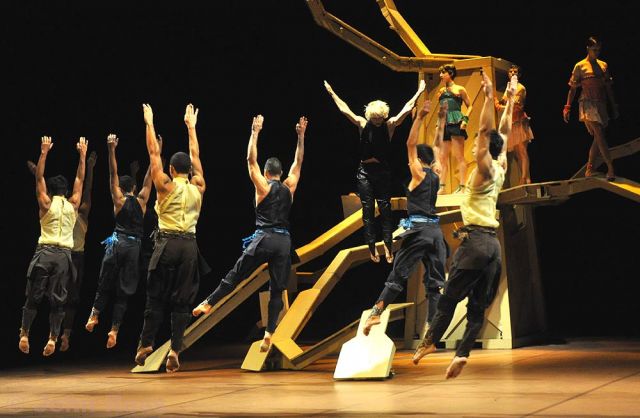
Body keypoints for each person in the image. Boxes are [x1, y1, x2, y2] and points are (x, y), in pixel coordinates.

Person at [412, 72, 515, 379]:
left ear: (484, 148)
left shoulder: (484, 168)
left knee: (448, 298)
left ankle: (431, 341)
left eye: (478, 146)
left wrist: (488, 96)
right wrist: (508, 100)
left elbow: (485, 131)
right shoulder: (501, 164)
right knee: (477, 306)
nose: (473, 148)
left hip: (476, 242)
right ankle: (462, 353)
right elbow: (503, 132)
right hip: (493, 246)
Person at [192, 114, 307, 353]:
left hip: (264, 238)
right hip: (284, 242)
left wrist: (255, 132)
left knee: (236, 275)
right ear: (281, 173)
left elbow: (250, 160)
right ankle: (269, 332)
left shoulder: (262, 187)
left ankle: (209, 303)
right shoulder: (290, 186)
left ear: (266, 172)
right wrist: (301, 136)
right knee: (277, 290)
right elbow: (298, 161)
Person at [363, 99, 447, 337]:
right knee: (434, 283)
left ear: (418, 160)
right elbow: (438, 146)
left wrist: (419, 118)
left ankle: (376, 313)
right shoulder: (437, 172)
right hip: (436, 234)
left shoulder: (418, 174)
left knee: (397, 275)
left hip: (419, 231)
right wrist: (440, 120)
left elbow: (410, 143)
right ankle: (432, 329)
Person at [135, 104, 209, 373]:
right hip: (189, 247)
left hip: (166, 243)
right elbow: (196, 154)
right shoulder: (198, 186)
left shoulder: (164, 185)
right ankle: (175, 350)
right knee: (182, 302)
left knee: (156, 297)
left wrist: (149, 123)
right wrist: (191, 127)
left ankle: (146, 344)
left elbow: (153, 152)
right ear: (189, 171)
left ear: (171, 168)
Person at [324, 79, 427, 262]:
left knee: (385, 208)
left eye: (379, 118)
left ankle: (388, 248)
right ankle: (372, 248)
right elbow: (345, 109)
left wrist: (419, 91)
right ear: (370, 116)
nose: (377, 121)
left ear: (384, 116)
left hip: (382, 171)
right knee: (368, 209)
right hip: (365, 171)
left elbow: (406, 108)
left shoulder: (389, 125)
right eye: (374, 118)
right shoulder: (363, 124)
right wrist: (332, 92)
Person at [85, 133, 155, 349]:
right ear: (133, 188)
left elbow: (112, 173)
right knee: (124, 292)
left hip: (116, 244)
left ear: (121, 189)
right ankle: (114, 329)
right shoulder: (142, 201)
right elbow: (149, 178)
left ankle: (94, 315)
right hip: (134, 247)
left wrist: (111, 149)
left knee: (104, 283)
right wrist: (155, 155)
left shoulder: (118, 200)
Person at [19, 136, 87, 356]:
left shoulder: (46, 204)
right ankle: (53, 338)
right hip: (63, 256)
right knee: (59, 300)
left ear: (50, 190)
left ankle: (25, 334)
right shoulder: (73, 204)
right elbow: (80, 178)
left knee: (33, 296)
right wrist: (83, 155)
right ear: (66, 191)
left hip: (45, 252)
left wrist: (44, 152)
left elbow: (39, 177)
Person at [563, 36, 618, 180]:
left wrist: (613, 105)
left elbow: (608, 88)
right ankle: (610, 168)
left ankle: (590, 168)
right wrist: (567, 107)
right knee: (599, 134)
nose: (597, 52)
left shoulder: (603, 65)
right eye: (594, 50)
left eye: (599, 50)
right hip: (587, 104)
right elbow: (572, 89)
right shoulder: (580, 66)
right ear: (588, 49)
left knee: (598, 137)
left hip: (601, 103)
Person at [437, 64, 472, 194]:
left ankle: (463, 186)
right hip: (444, 123)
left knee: (459, 156)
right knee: (442, 157)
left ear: (450, 73)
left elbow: (470, 106)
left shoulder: (460, 89)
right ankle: (442, 187)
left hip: (456, 122)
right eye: (440, 73)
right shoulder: (441, 90)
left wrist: (465, 120)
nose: (440, 75)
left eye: (443, 72)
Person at [496, 65, 534, 185]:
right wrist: (497, 102)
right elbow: (504, 101)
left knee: (522, 150)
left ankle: (524, 178)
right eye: (511, 71)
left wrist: (501, 106)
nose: (512, 73)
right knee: (517, 153)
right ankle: (525, 178)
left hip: (519, 121)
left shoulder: (520, 88)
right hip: (511, 122)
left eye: (515, 72)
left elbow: (516, 106)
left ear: (519, 75)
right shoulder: (509, 86)